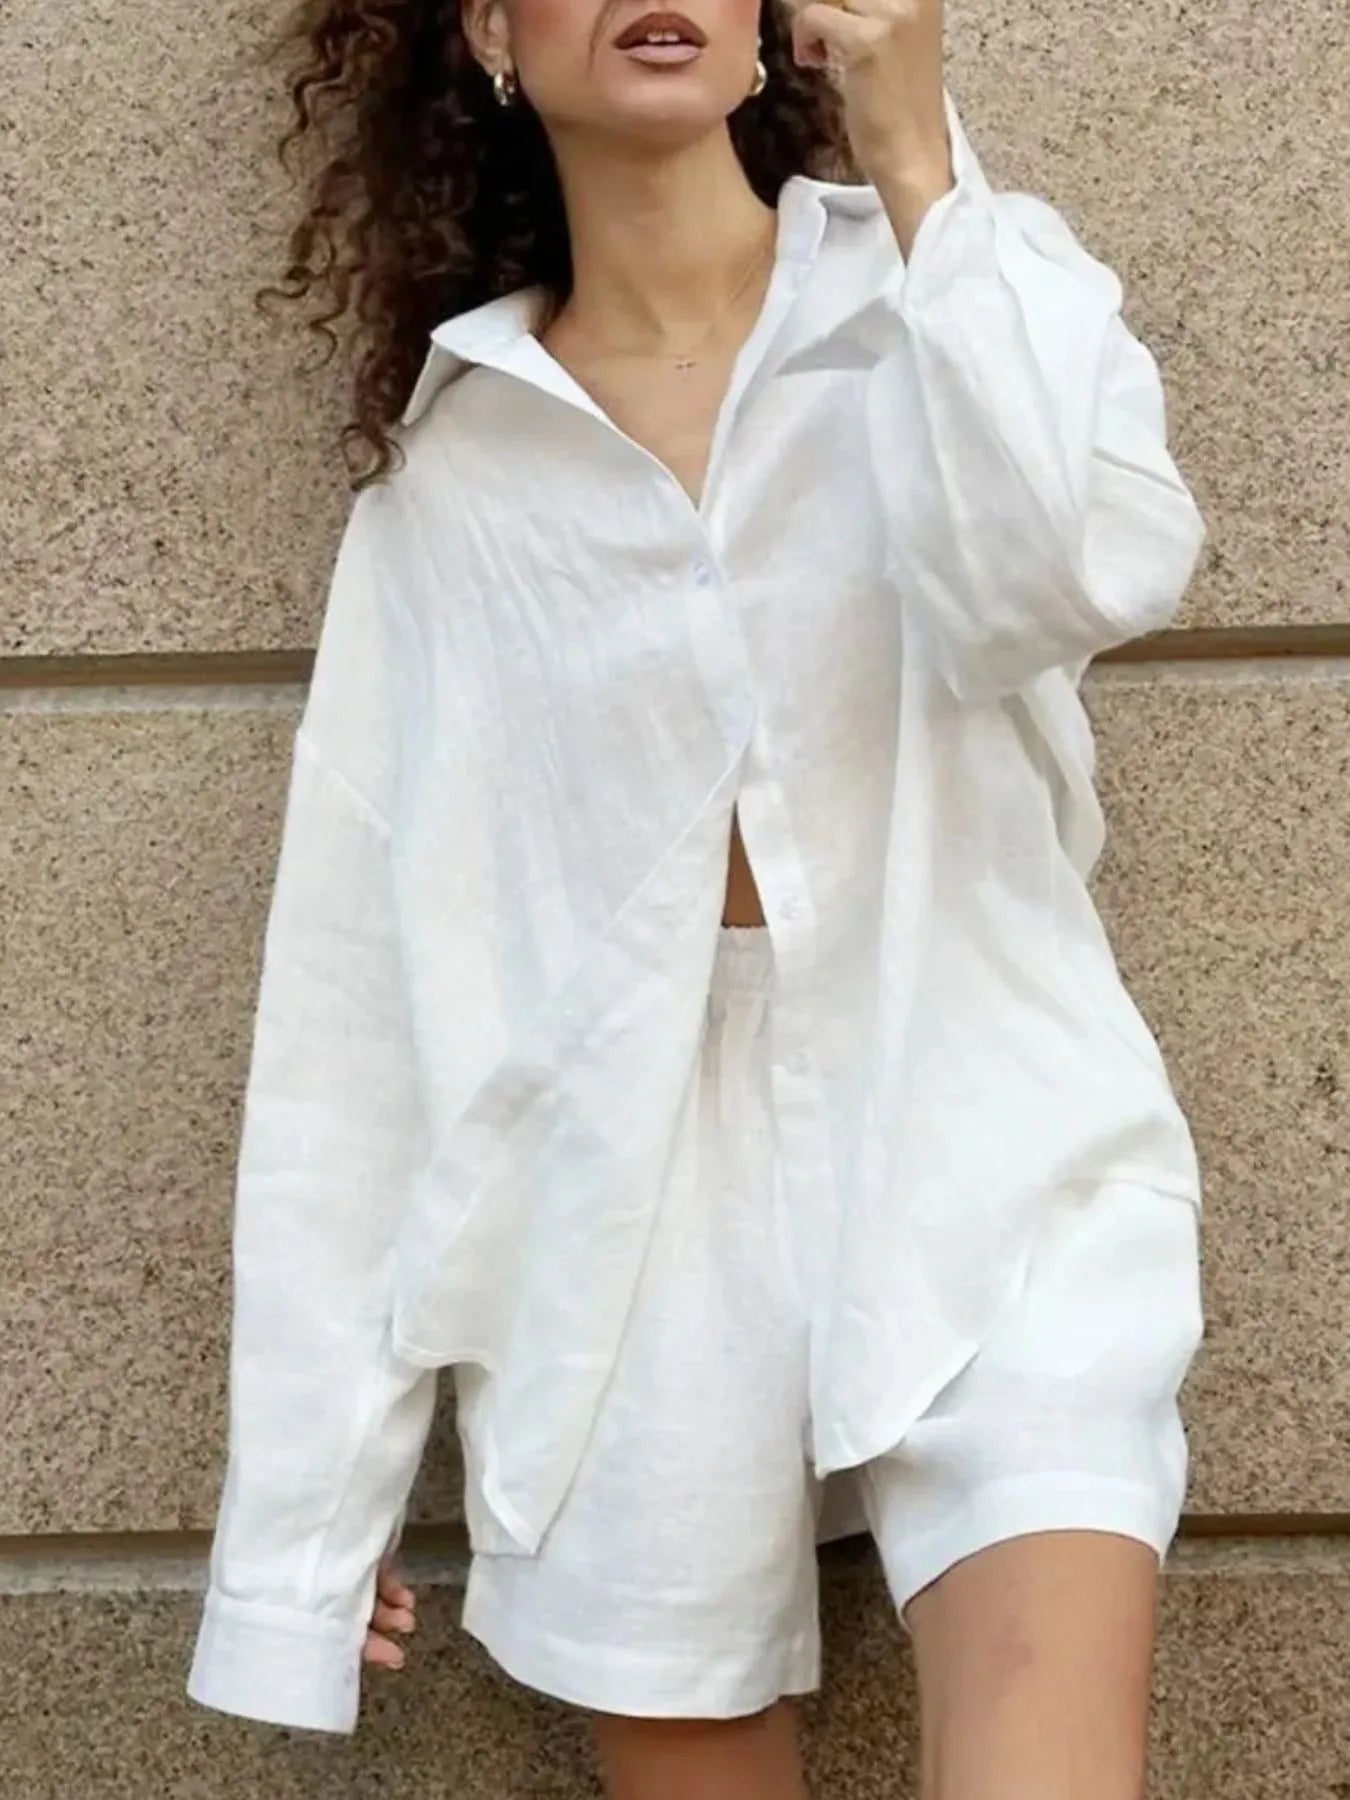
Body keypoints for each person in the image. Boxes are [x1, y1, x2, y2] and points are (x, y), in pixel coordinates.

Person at [186, 0, 1209, 1794]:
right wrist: (307, 1522)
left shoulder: (950, 288)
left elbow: (1078, 572)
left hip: (984, 1124)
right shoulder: (456, 482)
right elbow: (355, 1009)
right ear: (492, 33)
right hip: (616, 1234)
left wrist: (917, 159)